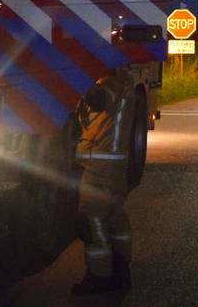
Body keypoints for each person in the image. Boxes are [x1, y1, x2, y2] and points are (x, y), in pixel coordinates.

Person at [72, 68, 137, 295]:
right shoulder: (121, 80)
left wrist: (74, 77)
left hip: (100, 167)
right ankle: (121, 271)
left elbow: (99, 101)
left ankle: (99, 277)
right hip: (112, 166)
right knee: (114, 218)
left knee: (92, 221)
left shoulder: (114, 83)